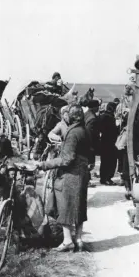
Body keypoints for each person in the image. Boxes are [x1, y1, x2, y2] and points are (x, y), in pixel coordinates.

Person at [35, 105, 90, 252]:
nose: (65, 117)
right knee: (79, 207)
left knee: (65, 206)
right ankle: (78, 239)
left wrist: (44, 164)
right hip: (82, 173)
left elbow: (66, 159)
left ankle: (67, 241)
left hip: (71, 175)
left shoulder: (72, 134)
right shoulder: (83, 130)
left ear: (71, 117)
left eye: (67, 115)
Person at [98, 102, 119, 185]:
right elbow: (111, 130)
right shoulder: (109, 118)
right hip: (110, 143)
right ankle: (107, 178)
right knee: (110, 161)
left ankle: (103, 178)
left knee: (104, 161)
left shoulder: (102, 116)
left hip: (104, 142)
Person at [83, 99, 100, 173]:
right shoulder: (92, 118)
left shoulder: (86, 114)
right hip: (90, 143)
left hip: (85, 141)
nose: (98, 108)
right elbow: (89, 132)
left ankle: (87, 178)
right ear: (94, 107)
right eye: (97, 106)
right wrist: (91, 146)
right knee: (90, 163)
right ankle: (86, 179)